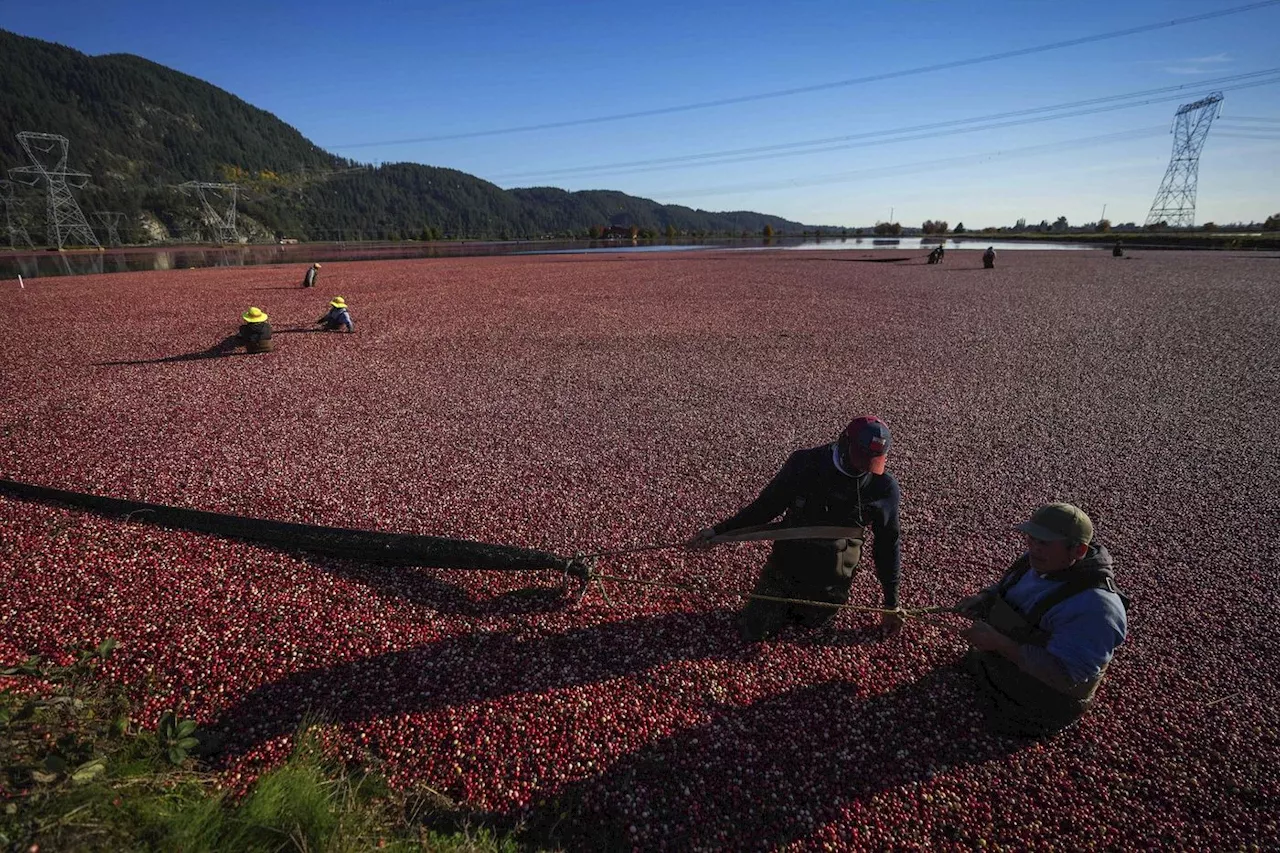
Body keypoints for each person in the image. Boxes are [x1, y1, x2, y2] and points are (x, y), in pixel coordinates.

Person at [689, 416, 903, 641]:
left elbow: (887, 546)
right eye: (860, 458)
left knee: (809, 628)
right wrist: (719, 532)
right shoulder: (806, 463)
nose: (862, 467)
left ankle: (817, 609)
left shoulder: (884, 488)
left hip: (831, 582)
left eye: (871, 462)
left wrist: (891, 603)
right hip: (784, 570)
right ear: (843, 441)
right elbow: (765, 508)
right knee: (753, 629)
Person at [953, 503, 1129, 737]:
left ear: (1078, 551)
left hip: (1042, 699)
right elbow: (1008, 587)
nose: (1034, 548)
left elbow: (1066, 676)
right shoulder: (1037, 561)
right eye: (1031, 539)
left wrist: (999, 643)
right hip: (1001, 664)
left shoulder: (1096, 608)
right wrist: (984, 598)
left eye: (1044, 542)